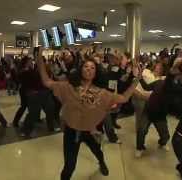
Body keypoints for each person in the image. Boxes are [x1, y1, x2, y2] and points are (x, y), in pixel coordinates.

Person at [36, 47, 140, 180]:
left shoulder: (102, 93)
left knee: (98, 152)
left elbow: (124, 98)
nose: (89, 70)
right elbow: (47, 82)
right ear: (81, 70)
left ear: (96, 73)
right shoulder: (69, 87)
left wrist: (136, 81)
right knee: (69, 166)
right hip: (71, 131)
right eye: (86, 67)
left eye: (92, 68)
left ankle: (102, 163)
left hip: (90, 131)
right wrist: (39, 60)